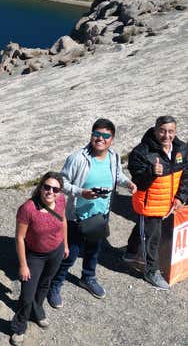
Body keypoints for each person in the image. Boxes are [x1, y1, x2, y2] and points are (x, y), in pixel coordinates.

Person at [47, 118, 136, 307]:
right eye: (97, 134)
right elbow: (62, 183)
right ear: (91, 135)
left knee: (94, 251)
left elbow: (117, 175)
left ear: (112, 139)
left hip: (100, 214)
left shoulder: (114, 156)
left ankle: (88, 278)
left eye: (106, 136)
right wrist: (82, 193)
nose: (100, 139)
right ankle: (55, 284)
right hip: (76, 217)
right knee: (70, 254)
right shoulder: (78, 158)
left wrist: (127, 183)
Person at [123, 115, 188, 290]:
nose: (167, 135)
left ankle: (130, 253)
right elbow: (138, 183)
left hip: (167, 202)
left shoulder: (182, 149)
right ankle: (151, 271)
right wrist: (151, 171)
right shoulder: (141, 152)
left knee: (144, 228)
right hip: (148, 203)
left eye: (171, 131)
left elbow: (185, 177)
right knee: (153, 237)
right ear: (155, 129)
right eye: (162, 131)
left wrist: (181, 197)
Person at [10, 172, 68, 346]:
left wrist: (65, 244)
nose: (50, 191)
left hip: (56, 251)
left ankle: (37, 310)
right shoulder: (28, 209)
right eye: (47, 187)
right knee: (27, 295)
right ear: (41, 187)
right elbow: (20, 238)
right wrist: (23, 265)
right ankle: (19, 326)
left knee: (45, 284)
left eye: (55, 189)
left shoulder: (61, 201)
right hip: (35, 255)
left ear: (60, 192)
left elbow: (63, 221)